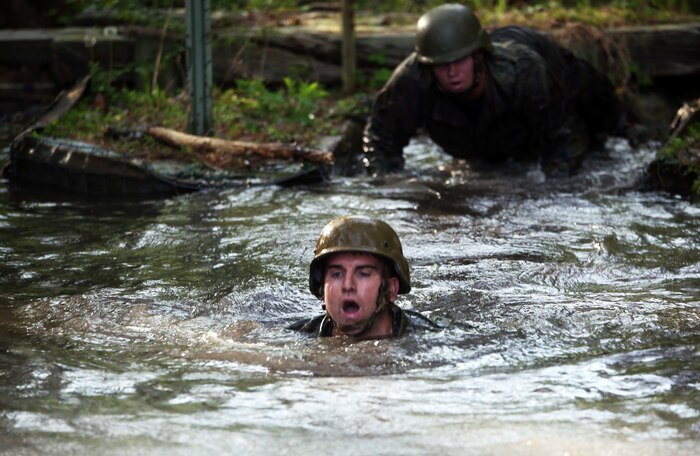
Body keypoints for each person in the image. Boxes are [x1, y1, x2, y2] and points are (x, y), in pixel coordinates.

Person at [362, 3, 623, 176]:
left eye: (459, 61)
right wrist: (391, 186)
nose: (452, 73)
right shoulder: (412, 79)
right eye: (442, 66)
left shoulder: (524, 72)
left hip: (557, 78)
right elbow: (380, 138)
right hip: (482, 143)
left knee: (602, 115)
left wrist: (552, 190)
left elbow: (566, 133)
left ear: (478, 56)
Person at [288, 215, 440, 339]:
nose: (348, 285)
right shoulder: (296, 338)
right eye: (337, 274)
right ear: (322, 288)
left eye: (364, 274)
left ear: (392, 289)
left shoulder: (429, 340)